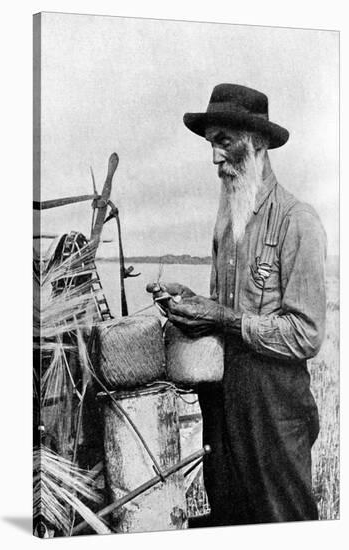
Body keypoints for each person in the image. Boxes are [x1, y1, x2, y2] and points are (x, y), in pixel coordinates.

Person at [147, 84, 327, 525]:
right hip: (223, 403)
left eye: (224, 142)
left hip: (274, 414)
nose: (214, 157)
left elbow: (306, 334)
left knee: (284, 524)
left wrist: (222, 318)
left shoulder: (296, 221)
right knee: (228, 520)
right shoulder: (227, 222)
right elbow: (228, 311)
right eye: (212, 144)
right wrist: (192, 304)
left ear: (259, 142)